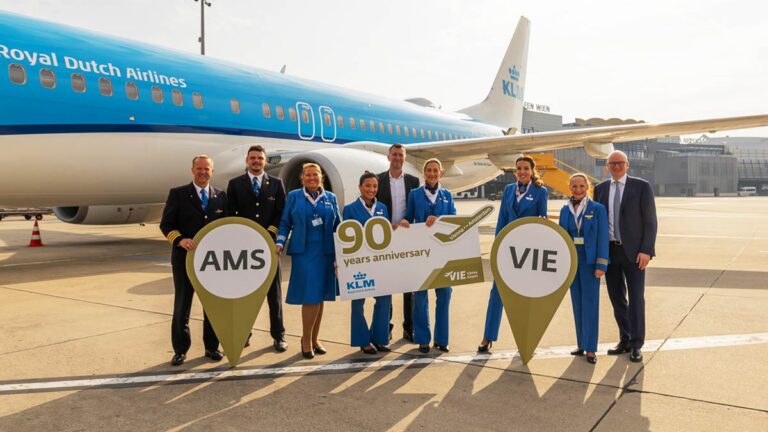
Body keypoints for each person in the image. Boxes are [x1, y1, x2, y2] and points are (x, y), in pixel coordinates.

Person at [160, 155, 226, 366]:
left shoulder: (221, 196)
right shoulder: (178, 194)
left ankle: (212, 347)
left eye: (206, 169)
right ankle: (180, 349)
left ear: (212, 172)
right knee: (182, 305)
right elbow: (166, 225)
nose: (203, 172)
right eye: (199, 169)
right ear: (192, 170)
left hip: (213, 262)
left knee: (213, 306)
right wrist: (179, 240)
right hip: (184, 260)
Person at [478, 155, 548, 352]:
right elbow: (502, 219)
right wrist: (498, 244)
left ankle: (524, 339)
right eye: (519, 168)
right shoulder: (509, 190)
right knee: (497, 294)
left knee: (525, 297)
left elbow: (541, 221)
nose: (522, 172)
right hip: (507, 249)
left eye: (526, 168)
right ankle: (487, 336)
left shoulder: (540, 191)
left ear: (532, 170)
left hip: (527, 252)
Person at [594, 150, 657, 363]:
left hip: (635, 253)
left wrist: (647, 250)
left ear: (627, 164)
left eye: (620, 163)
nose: (616, 166)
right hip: (610, 252)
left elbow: (650, 221)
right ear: (607, 166)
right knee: (617, 299)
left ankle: (637, 344)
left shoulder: (641, 187)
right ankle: (625, 338)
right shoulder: (600, 189)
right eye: (612, 163)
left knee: (636, 299)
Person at [226, 145, 288, 352]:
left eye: (259, 158)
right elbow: (230, 215)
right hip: (244, 250)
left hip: (269, 247)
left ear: (265, 161)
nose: (256, 161)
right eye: (252, 158)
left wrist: (269, 235)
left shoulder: (277, 184)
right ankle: (244, 332)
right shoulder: (235, 184)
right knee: (245, 293)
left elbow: (281, 214)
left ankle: (279, 336)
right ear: (247, 160)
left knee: (274, 295)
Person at [276, 163, 341, 359]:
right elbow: (286, 221)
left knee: (320, 296)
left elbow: (339, 225)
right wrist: (279, 242)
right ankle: (305, 339)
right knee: (311, 296)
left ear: (321, 177)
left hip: (326, 251)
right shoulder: (295, 196)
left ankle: (314, 338)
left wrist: (344, 252)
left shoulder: (330, 198)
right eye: (308, 175)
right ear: (302, 178)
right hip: (304, 251)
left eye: (315, 175)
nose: (312, 178)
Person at [400, 158, 456, 354]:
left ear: (440, 173)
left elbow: (455, 221)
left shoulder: (448, 195)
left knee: (444, 294)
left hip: (442, 253)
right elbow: (408, 215)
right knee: (421, 295)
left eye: (435, 170)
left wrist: (439, 220)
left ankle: (442, 339)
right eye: (428, 170)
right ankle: (423, 339)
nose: (432, 174)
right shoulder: (415, 194)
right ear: (424, 173)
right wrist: (405, 222)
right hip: (422, 252)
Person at [559, 173, 609, 364]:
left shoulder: (597, 209)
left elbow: (603, 237)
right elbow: (561, 237)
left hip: (590, 262)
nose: (578, 190)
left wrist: (601, 264)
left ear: (587, 187)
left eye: (581, 186)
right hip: (572, 261)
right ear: (569, 187)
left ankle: (591, 349)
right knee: (577, 303)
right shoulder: (565, 210)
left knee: (590, 304)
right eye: (574, 186)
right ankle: (581, 343)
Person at [343, 172, 392, 354]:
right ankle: (363, 340)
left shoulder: (383, 208)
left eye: (374, 186)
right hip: (359, 264)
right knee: (358, 303)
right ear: (360, 187)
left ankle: (380, 338)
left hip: (379, 263)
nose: (372, 190)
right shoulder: (349, 209)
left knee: (384, 300)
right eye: (368, 186)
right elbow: (344, 238)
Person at [376, 144, 420, 342]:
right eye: (394, 154)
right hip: (385, 237)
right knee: (386, 284)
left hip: (407, 236)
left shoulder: (413, 181)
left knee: (408, 285)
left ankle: (409, 327)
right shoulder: (378, 180)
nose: (397, 158)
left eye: (400, 155)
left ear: (405, 158)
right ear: (388, 157)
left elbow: (416, 209)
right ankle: (387, 325)